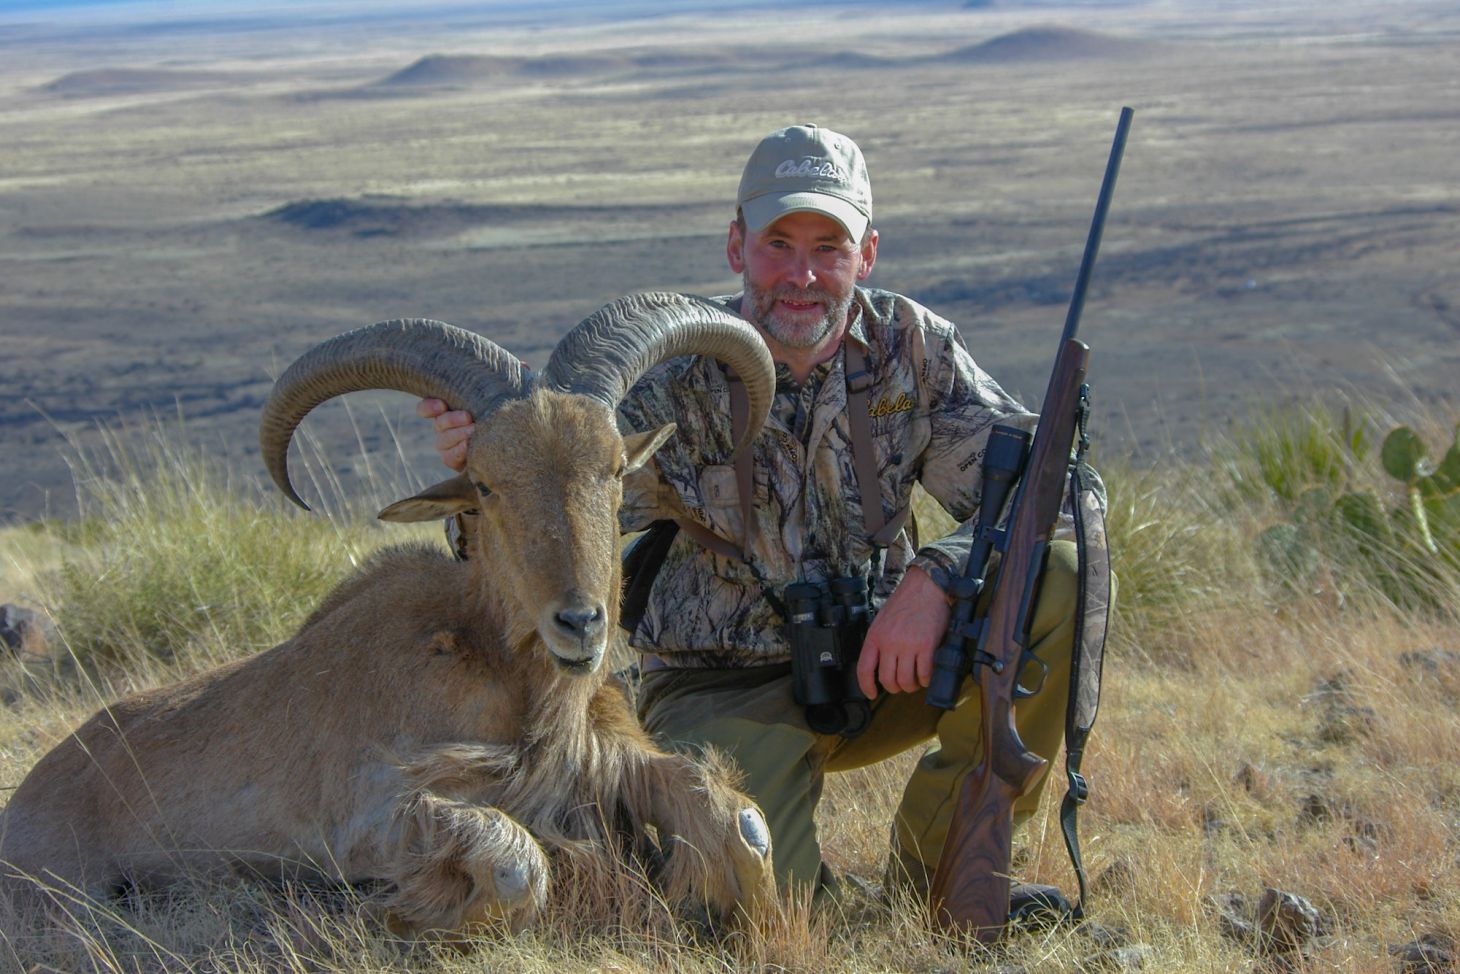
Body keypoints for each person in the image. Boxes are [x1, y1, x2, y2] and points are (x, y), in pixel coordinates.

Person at [419, 123, 1106, 902]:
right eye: (778, 243)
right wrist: (491, 470)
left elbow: (1065, 492)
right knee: (758, 904)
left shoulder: (913, 349)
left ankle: (948, 875)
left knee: (1058, 571)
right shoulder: (667, 368)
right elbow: (543, 540)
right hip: (721, 687)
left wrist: (937, 579)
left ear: (867, 255)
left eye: (829, 247)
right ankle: (801, 882)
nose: (802, 275)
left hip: (886, 658)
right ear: (736, 245)